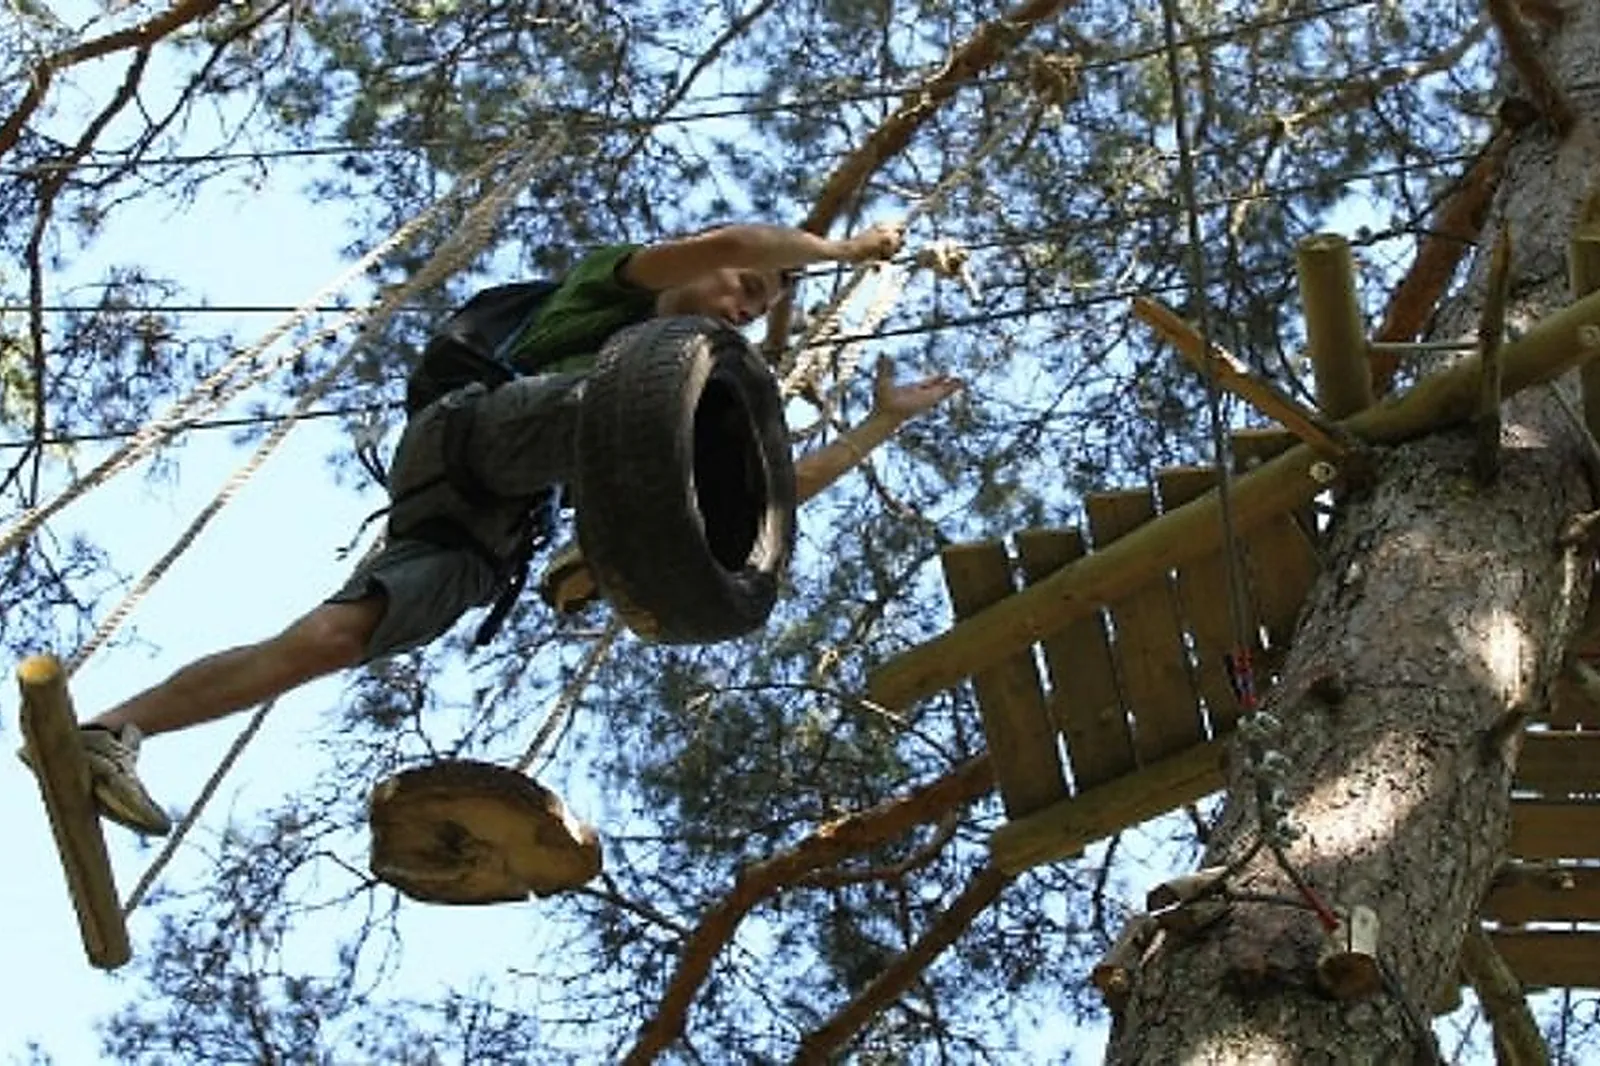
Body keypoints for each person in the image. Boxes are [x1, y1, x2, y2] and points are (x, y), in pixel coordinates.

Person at [42, 222, 963, 837]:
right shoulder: (611, 291)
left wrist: (881, 424)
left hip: (488, 525)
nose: (744, 306)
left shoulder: (665, 399)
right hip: (481, 428)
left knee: (332, 640)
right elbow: (731, 243)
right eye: (742, 289)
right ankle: (590, 556)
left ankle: (113, 730)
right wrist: (842, 250)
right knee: (636, 403)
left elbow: (770, 496)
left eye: (758, 308)